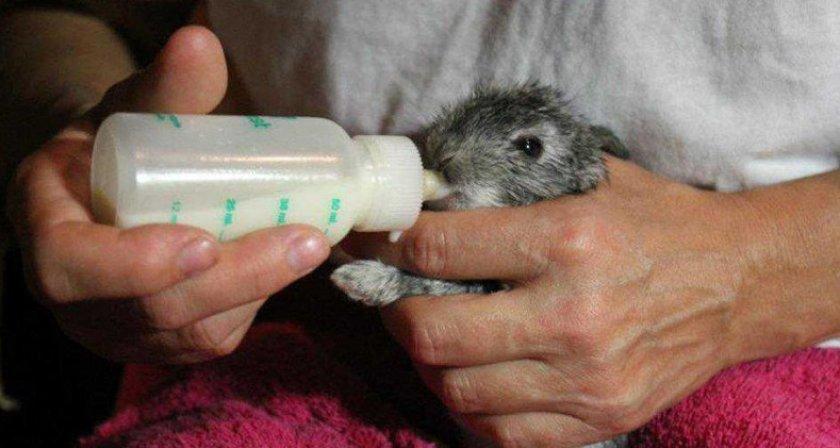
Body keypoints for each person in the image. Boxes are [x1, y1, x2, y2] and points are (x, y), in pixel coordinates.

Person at [1, 1, 838, 446]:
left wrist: (748, 273)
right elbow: (72, 15)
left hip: (773, 362)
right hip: (276, 338)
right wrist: (81, 147)